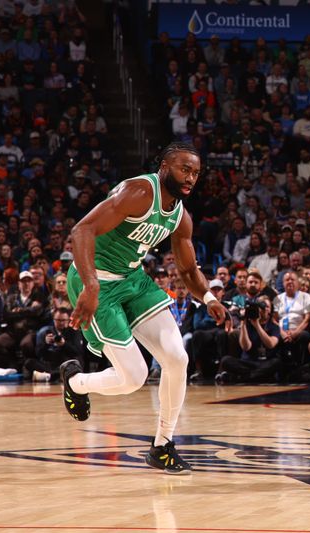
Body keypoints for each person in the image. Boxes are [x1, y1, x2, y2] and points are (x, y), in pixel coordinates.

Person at [64, 142, 226, 474]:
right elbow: (82, 230)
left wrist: (208, 297)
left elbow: (187, 270)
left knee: (177, 357)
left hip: (133, 279)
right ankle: (76, 383)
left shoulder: (180, 217)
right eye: (184, 169)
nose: (190, 177)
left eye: (195, 172)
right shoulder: (139, 191)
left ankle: (163, 444)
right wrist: (91, 285)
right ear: (164, 166)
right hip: (94, 278)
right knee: (134, 378)